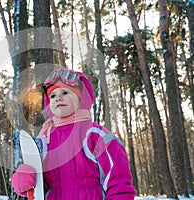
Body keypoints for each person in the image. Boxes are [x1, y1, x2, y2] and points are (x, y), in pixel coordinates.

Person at [12, 68, 136, 199]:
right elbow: (39, 189)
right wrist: (24, 182)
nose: (58, 98)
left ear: (80, 98)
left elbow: (118, 183)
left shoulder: (96, 136)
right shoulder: (44, 141)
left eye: (65, 92)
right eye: (52, 95)